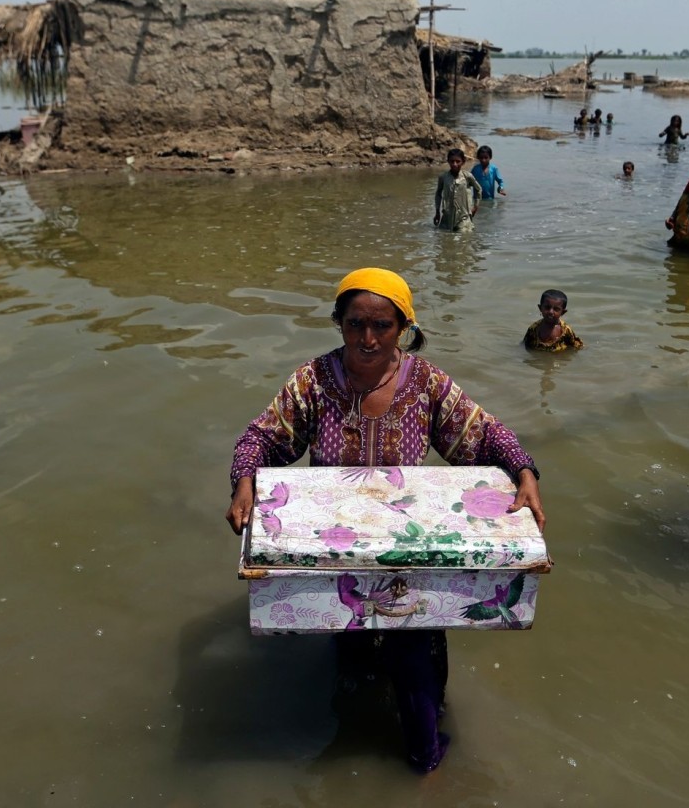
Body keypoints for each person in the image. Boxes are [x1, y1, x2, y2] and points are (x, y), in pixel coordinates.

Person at [226, 268, 544, 773]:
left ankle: (424, 759)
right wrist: (245, 479)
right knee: (351, 654)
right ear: (338, 323)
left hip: (410, 545)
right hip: (338, 546)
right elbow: (262, 438)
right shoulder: (312, 382)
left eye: (382, 326)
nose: (367, 339)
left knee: (418, 656)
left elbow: (483, 435)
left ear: (403, 327)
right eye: (355, 325)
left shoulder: (426, 384)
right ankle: (354, 730)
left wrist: (523, 471)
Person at [433, 148, 481, 232]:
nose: (455, 164)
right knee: (444, 238)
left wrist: (475, 207)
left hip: (463, 216)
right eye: (452, 161)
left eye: (458, 161)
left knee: (463, 239)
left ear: (463, 162)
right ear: (448, 161)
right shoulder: (443, 177)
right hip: (447, 216)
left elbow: (478, 189)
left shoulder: (467, 176)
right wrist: (437, 212)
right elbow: (438, 193)